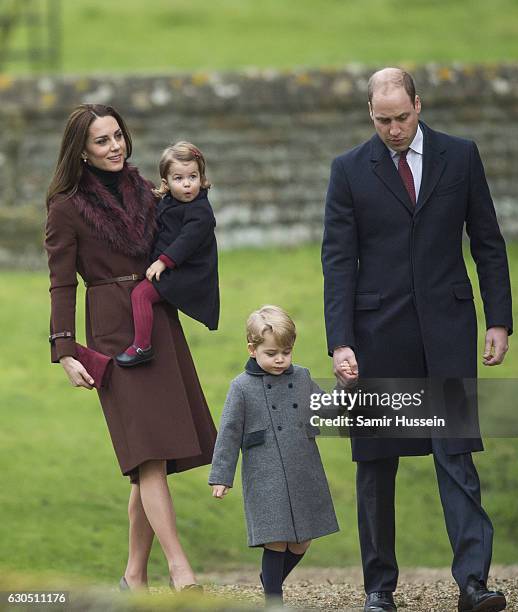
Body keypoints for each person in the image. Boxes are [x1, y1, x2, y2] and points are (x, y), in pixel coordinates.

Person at [322, 68, 512, 612]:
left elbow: (488, 243)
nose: (394, 129)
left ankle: (474, 584)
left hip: (449, 333)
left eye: (402, 117)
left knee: (456, 456)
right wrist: (341, 341)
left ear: (418, 105)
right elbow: (337, 263)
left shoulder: (461, 156)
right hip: (376, 336)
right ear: (370, 113)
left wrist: (498, 319)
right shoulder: (349, 171)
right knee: (377, 465)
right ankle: (379, 590)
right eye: (383, 120)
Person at [45, 104, 217, 592]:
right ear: (81, 150)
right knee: (148, 455)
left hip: (156, 319)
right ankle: (181, 569)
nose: (115, 146)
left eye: (117, 135)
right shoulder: (65, 205)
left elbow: (190, 231)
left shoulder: (148, 190)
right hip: (113, 330)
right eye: (102, 140)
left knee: (152, 458)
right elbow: (61, 284)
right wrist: (65, 349)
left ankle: (134, 577)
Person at [208, 305, 339, 605]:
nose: (280, 359)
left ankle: (269, 581)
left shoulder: (303, 377)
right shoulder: (240, 387)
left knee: (303, 540)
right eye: (271, 353)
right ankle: (273, 600)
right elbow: (229, 433)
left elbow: (325, 409)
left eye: (286, 351)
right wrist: (221, 476)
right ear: (252, 350)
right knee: (276, 539)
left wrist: (344, 388)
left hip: (302, 467)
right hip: (265, 471)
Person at [116, 141, 219, 367]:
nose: (187, 184)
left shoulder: (200, 211)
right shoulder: (168, 202)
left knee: (141, 295)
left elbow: (186, 241)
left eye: (193, 177)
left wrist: (162, 262)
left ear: (201, 178)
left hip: (188, 273)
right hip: (174, 268)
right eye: (179, 179)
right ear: (166, 182)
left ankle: (142, 347)